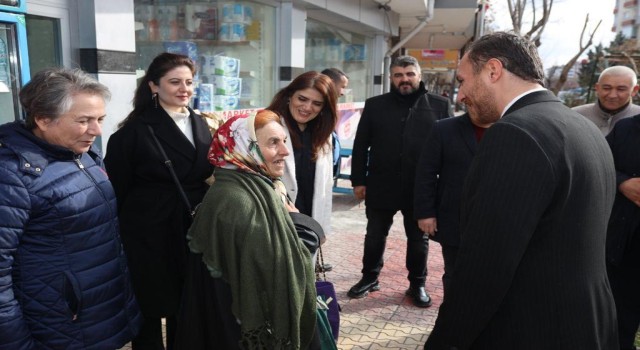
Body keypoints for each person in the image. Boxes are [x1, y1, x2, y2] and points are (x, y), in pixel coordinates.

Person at [425, 31, 619, 349]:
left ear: (492, 70)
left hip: (532, 329)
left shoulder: (515, 134)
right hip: (589, 324)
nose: (460, 95)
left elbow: (486, 264)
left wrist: (445, 340)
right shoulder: (583, 126)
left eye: (462, 80)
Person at [0, 67, 141, 348]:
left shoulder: (83, 155)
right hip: (56, 330)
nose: (97, 130)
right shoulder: (11, 174)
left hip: (100, 318)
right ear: (42, 119)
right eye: (84, 121)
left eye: (100, 119)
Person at [174, 110, 323, 349]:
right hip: (237, 330)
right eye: (273, 143)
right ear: (242, 147)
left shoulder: (255, 187)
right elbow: (276, 266)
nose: (285, 151)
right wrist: (303, 226)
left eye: (284, 141)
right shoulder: (236, 201)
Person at [104, 52, 214, 350]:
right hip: (149, 232)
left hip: (194, 225)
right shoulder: (133, 133)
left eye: (189, 82)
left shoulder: (202, 123)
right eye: (175, 82)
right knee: (149, 306)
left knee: (188, 302)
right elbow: (118, 190)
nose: (184, 89)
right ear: (154, 86)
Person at [348, 55, 451, 307]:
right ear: (391, 78)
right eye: (398, 75)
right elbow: (361, 146)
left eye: (409, 74)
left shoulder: (439, 105)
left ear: (419, 76)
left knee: (418, 240)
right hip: (381, 184)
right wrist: (358, 181)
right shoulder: (375, 105)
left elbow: (449, 150)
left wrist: (444, 188)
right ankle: (369, 278)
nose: (404, 79)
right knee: (374, 235)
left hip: (421, 188)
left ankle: (417, 284)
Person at [413, 112, 492, 295]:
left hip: (495, 221)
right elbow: (426, 172)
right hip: (454, 218)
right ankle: (452, 318)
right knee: (454, 274)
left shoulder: (511, 128)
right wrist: (425, 212)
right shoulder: (444, 128)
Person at [267, 71, 338, 251]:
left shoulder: (323, 136)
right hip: (273, 219)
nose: (307, 107)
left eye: (317, 103)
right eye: (302, 99)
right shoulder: (267, 127)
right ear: (290, 95)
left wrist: (320, 228)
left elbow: (325, 188)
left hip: (308, 221)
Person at [605, 115, 640, 350]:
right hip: (622, 246)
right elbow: (600, 163)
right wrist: (622, 183)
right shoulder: (626, 128)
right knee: (617, 325)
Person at [572, 65, 640, 135]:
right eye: (606, 88)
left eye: (621, 89)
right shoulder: (575, 116)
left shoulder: (638, 117)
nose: (612, 95)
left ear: (634, 90)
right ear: (597, 88)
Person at [321, 68, 348, 180]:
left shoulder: (328, 108)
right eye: (342, 87)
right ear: (330, 82)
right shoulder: (316, 110)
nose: (342, 92)